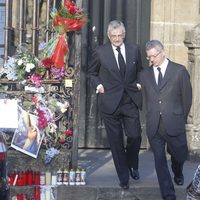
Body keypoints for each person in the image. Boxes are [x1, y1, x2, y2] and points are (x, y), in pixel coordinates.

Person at [88, 20, 143, 189]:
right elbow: (91, 72)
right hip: (110, 102)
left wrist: (140, 83)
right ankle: (124, 177)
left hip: (129, 100)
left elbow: (140, 70)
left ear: (124, 35)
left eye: (120, 36)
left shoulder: (134, 49)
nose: (117, 39)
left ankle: (132, 164)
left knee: (134, 136)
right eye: (114, 36)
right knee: (116, 142)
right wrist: (98, 85)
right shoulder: (100, 52)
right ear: (109, 36)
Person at [139, 40, 192, 200]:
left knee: (179, 155)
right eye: (149, 57)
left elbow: (187, 98)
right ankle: (168, 194)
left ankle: (178, 170)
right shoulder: (144, 75)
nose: (151, 60)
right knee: (159, 160)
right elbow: (143, 98)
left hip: (174, 121)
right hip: (154, 124)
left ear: (163, 52)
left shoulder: (179, 71)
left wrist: (179, 118)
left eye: (154, 56)